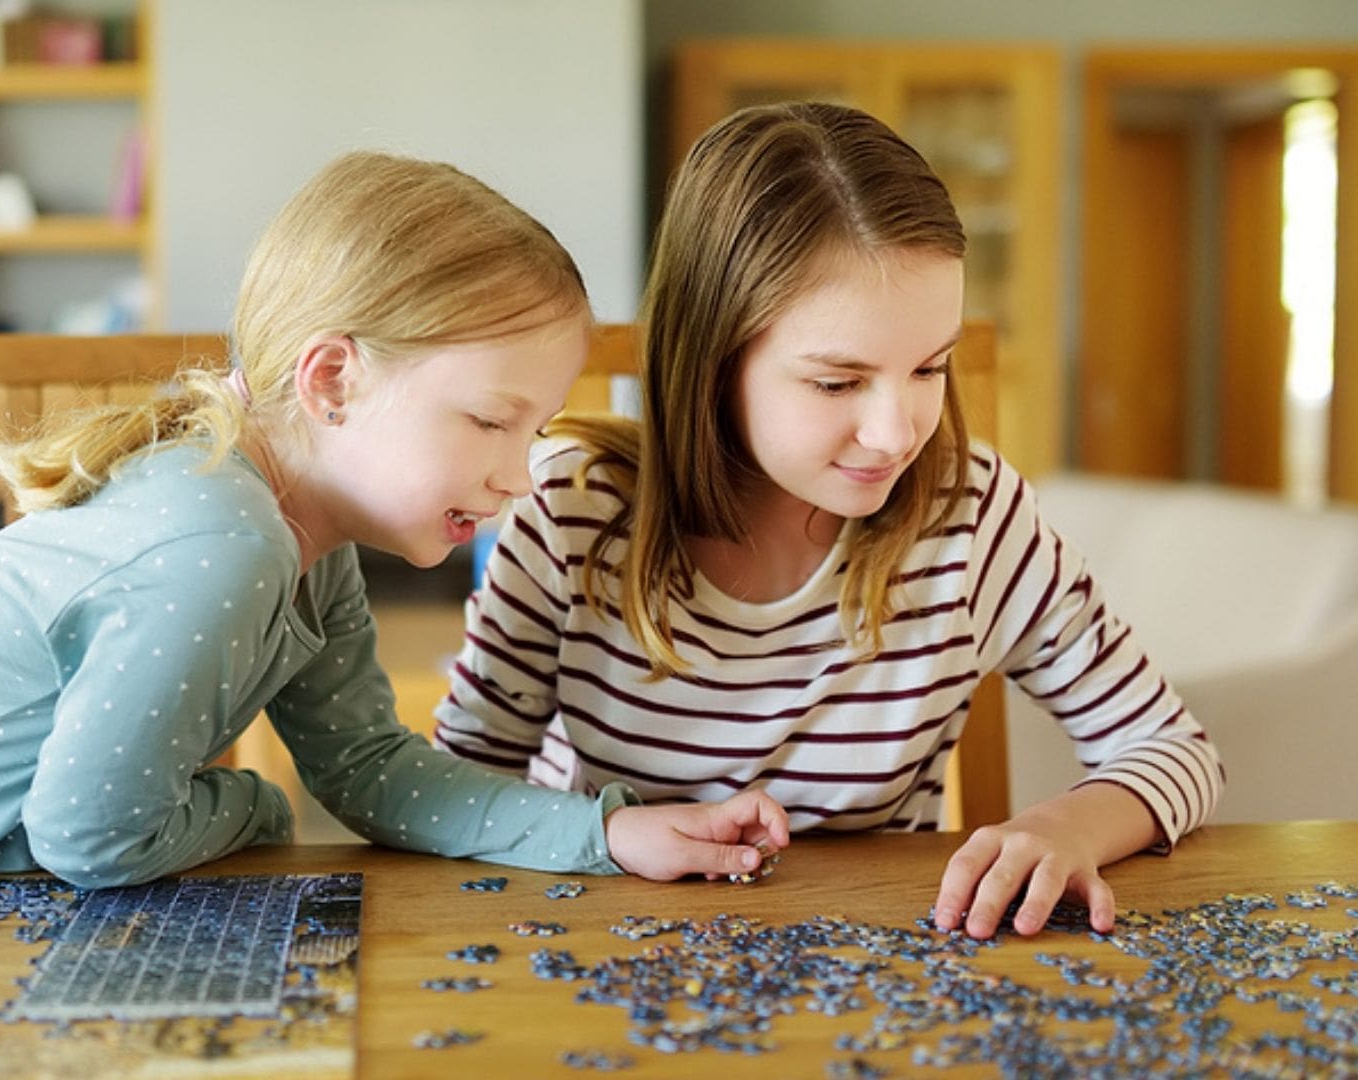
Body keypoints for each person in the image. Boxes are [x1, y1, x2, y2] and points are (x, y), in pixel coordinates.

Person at [0, 151, 788, 888]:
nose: (524, 474)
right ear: (332, 381)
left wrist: (606, 834)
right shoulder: (221, 544)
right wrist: (254, 802)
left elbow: (369, 768)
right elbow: (91, 839)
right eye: (493, 421)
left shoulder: (303, 536)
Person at [433, 103, 1224, 938]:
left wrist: (1061, 827)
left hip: (882, 972)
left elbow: (1176, 751)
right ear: (712, 361)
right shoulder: (573, 516)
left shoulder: (973, 516)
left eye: (931, 367)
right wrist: (602, 837)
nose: (895, 433)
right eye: (837, 383)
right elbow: (449, 797)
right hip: (596, 960)